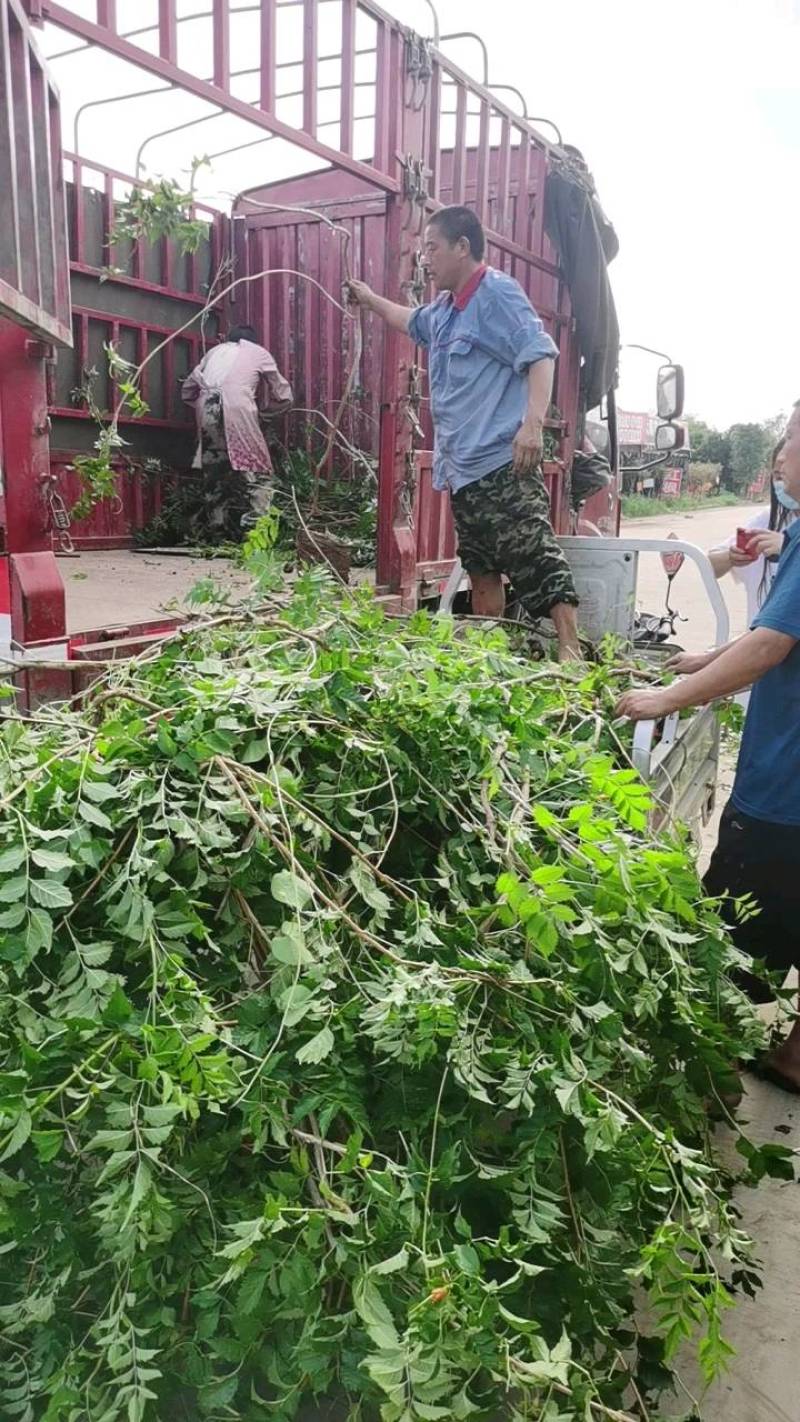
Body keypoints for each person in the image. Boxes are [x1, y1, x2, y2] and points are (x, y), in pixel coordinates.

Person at [616, 402, 800, 1092]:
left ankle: (694, 1067)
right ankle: (792, 1057)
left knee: (727, 938)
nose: (780, 461)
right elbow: (776, 633)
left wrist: (666, 699)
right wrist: (707, 659)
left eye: (787, 445)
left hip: (787, 792)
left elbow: (770, 647)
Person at [347, 206, 581, 660]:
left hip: (503, 463)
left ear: (462, 247)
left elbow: (540, 355)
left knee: (536, 554)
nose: (425, 260)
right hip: (465, 471)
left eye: (432, 249)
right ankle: (489, 657)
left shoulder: (497, 295)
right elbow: (409, 320)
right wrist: (369, 299)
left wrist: (532, 425)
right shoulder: (445, 312)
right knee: (482, 568)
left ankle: (571, 654)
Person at [182, 324, 292, 542]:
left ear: (228, 339)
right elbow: (284, 395)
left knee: (215, 473)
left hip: (205, 407)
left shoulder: (213, 352)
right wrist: (265, 415)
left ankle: (217, 532)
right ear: (253, 341)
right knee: (258, 471)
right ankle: (257, 534)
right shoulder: (258, 352)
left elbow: (187, 391)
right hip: (237, 408)